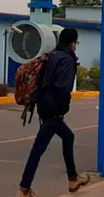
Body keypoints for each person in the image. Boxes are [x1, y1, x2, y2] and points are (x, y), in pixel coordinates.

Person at [17, 28, 91, 197]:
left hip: (44, 105)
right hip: (52, 109)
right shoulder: (66, 59)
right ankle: (24, 188)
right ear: (73, 43)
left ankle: (72, 179)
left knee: (65, 138)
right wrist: (62, 109)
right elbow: (62, 88)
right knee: (40, 147)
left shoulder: (53, 54)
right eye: (76, 43)